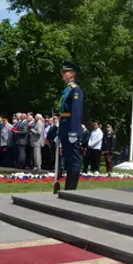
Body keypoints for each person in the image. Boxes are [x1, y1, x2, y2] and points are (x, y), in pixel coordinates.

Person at [59, 60, 84, 190]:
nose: (63, 74)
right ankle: (68, 187)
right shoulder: (67, 90)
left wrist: (73, 131)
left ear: (72, 74)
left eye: (65, 72)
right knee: (68, 158)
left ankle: (71, 188)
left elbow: (76, 112)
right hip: (65, 128)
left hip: (71, 129)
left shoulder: (76, 90)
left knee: (74, 159)